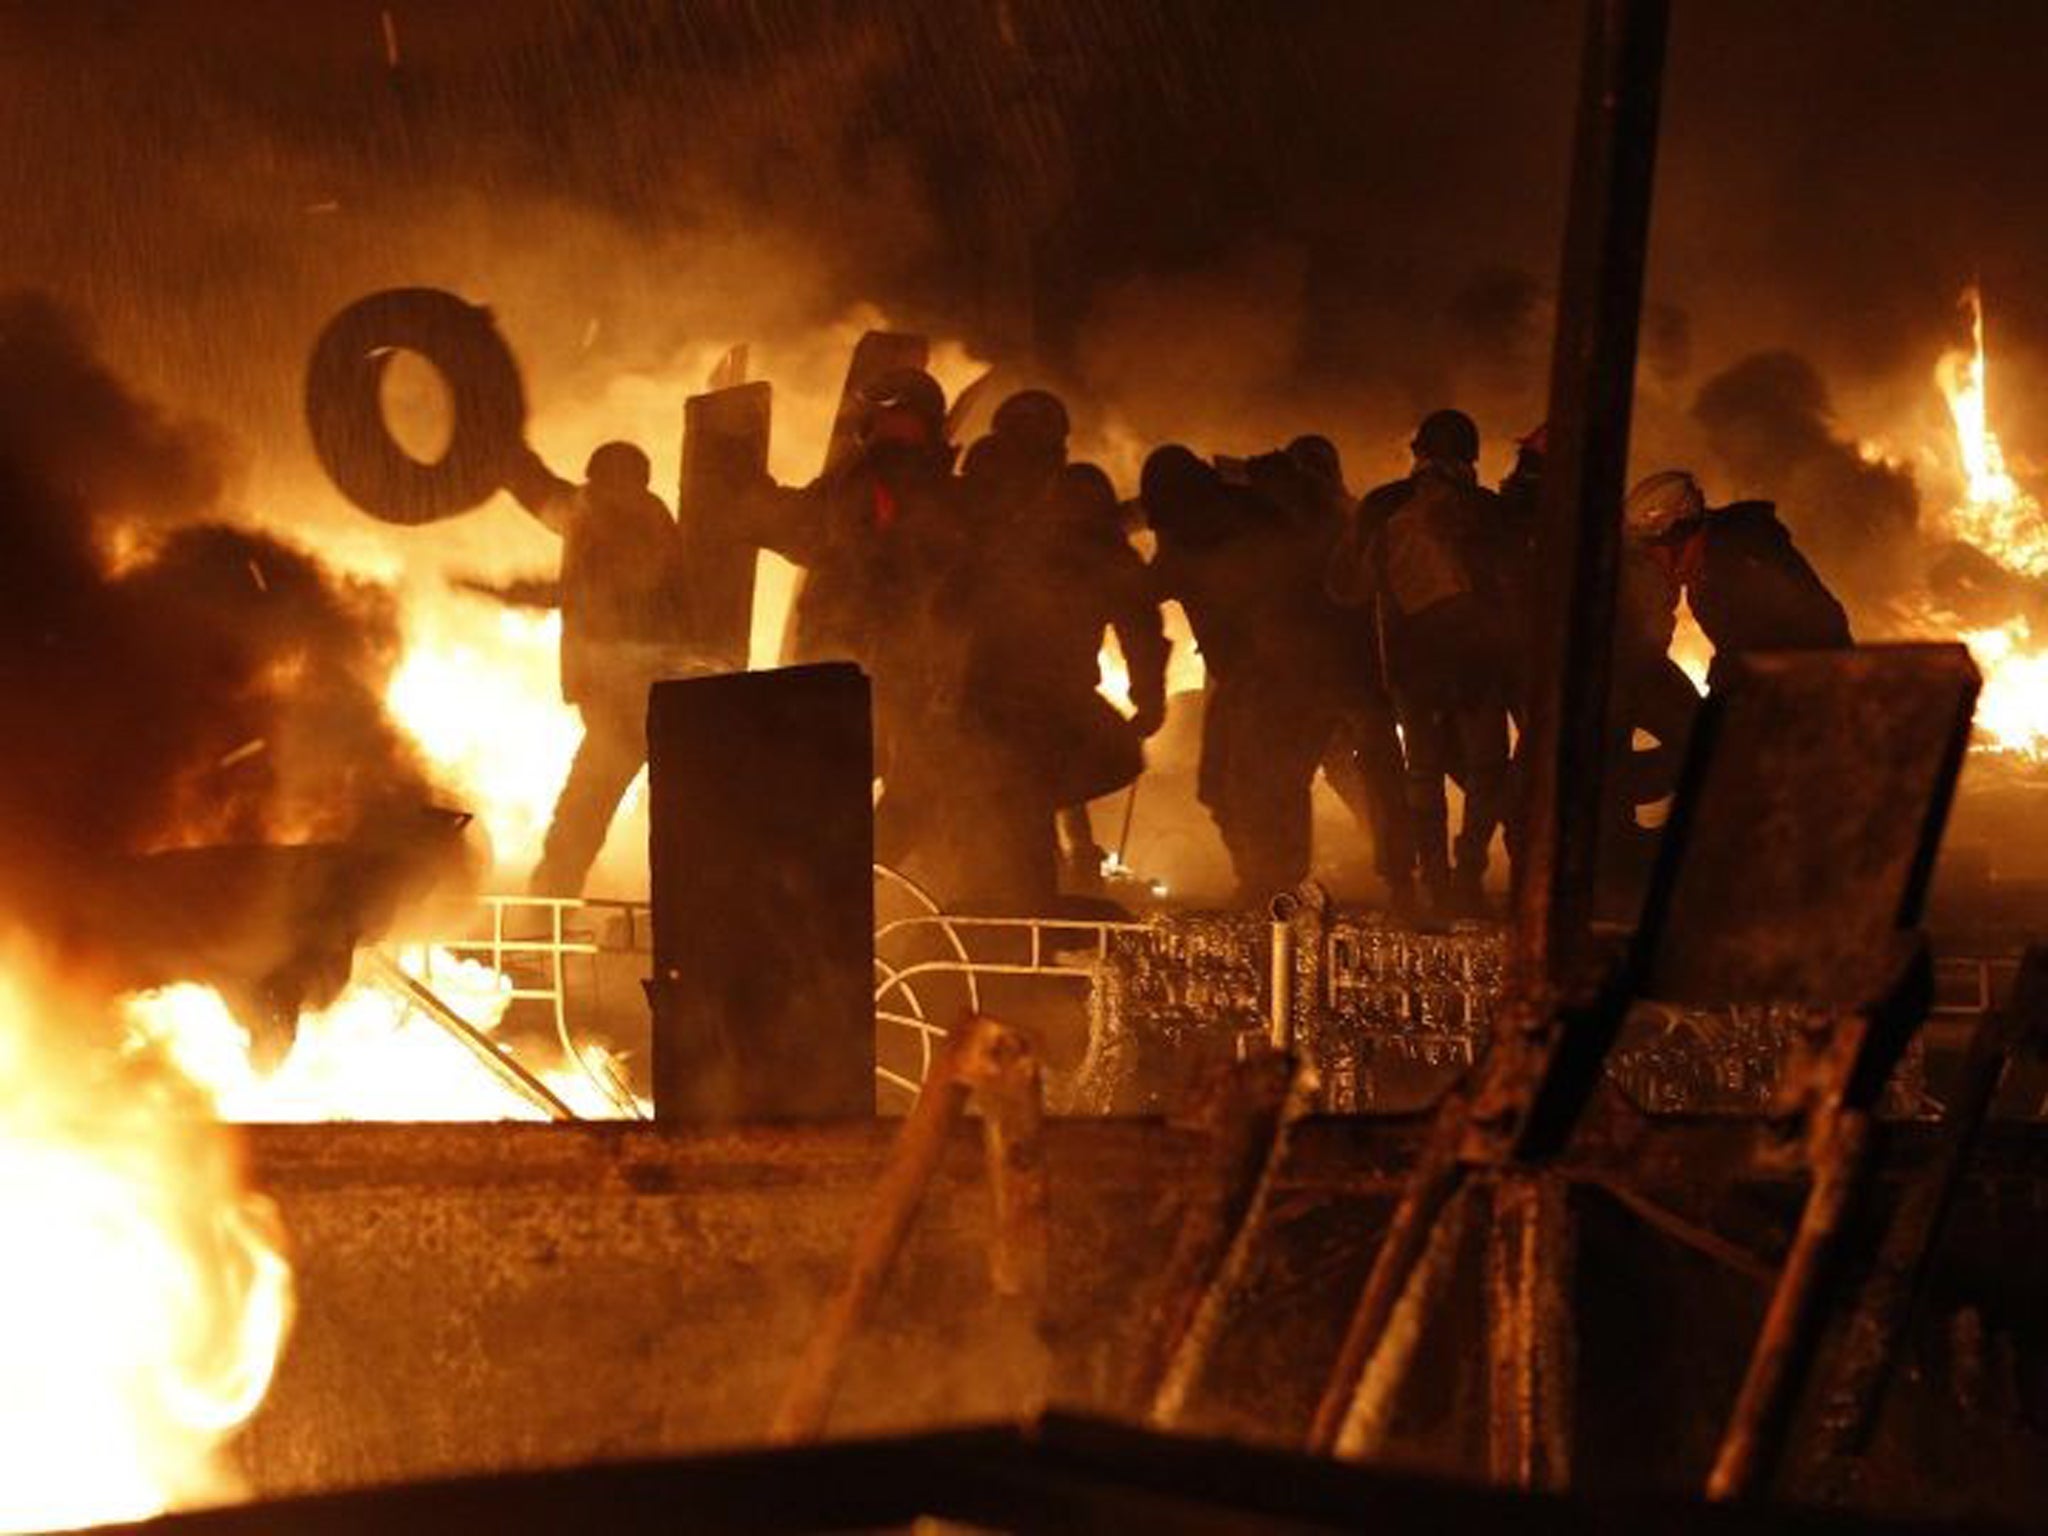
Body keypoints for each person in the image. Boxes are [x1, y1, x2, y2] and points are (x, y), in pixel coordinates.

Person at [1145, 445, 1348, 905]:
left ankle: (1278, 892)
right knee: (1219, 785)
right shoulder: (1190, 535)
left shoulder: (1254, 516)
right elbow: (1138, 591)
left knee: (1271, 784)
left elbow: (1320, 536)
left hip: (1295, 674)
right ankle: (1261, 883)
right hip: (1246, 680)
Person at [1331, 409, 1513, 918]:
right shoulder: (1488, 510)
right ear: (1471, 457)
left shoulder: (1383, 505)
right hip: (1480, 664)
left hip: (1413, 668)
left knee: (1423, 776)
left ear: (1419, 454)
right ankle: (1468, 877)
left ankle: (1432, 882)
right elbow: (1515, 586)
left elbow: (1347, 589)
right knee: (1487, 772)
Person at [963, 461, 1169, 893]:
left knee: (1027, 792)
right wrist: (1148, 702)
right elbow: (1141, 632)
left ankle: (1037, 870)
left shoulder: (1014, 542)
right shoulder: (1104, 555)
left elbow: (947, 605)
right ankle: (1033, 894)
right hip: (1042, 697)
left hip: (987, 695)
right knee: (1109, 755)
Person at [504, 440, 691, 897]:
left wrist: (530, 593)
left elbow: (601, 591)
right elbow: (549, 497)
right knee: (585, 819)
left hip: (637, 698)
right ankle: (546, 915)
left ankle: (541, 921)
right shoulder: (598, 513)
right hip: (630, 696)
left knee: (580, 819)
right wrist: (505, 456)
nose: (590, 493)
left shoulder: (642, 527)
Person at [1624, 469, 1852, 689]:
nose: (1664, 568)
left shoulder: (1744, 554)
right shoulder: (1706, 575)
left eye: (1666, 554)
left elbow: (1807, 630)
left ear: (1688, 536)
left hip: (1817, 687)